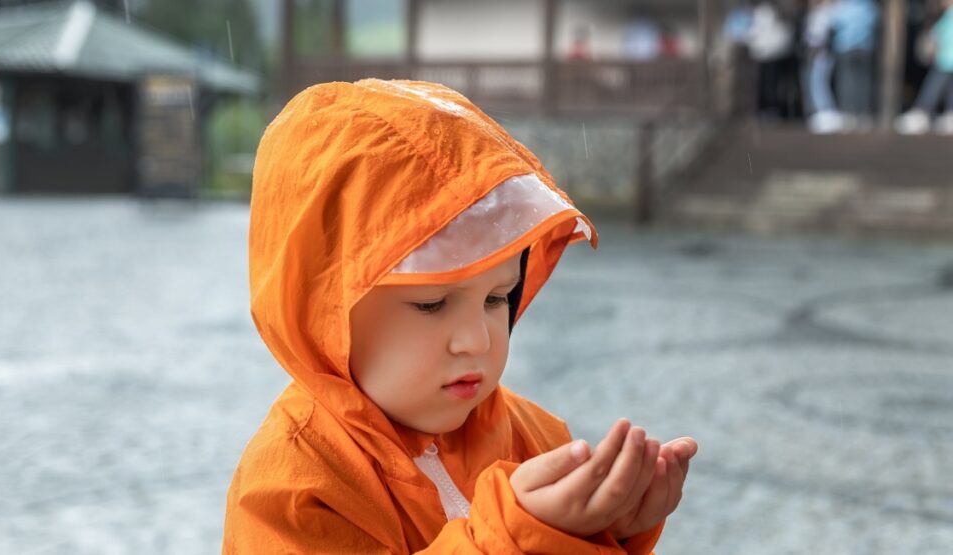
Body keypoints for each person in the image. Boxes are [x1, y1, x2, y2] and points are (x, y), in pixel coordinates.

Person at [222, 79, 698, 553]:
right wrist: (512, 542)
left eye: (497, 298)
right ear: (323, 308)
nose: (477, 340)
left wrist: (606, 531)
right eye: (431, 303)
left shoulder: (531, 434)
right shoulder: (293, 484)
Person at [896, 0, 953, 134]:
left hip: (944, 61)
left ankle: (922, 112)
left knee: (933, 88)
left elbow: (936, 35)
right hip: (947, 61)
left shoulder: (949, 17)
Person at [830, 0, 880, 130]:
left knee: (846, 81)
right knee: (864, 82)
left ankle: (848, 113)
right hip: (864, 48)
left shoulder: (843, 5)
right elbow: (875, 21)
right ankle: (862, 113)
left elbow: (834, 22)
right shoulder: (869, 6)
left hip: (845, 47)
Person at [803, 0, 842, 133]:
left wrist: (817, 47)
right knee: (816, 82)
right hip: (818, 52)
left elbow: (822, 34)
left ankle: (826, 112)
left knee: (819, 83)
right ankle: (823, 112)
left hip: (822, 52)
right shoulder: (821, 12)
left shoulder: (827, 12)